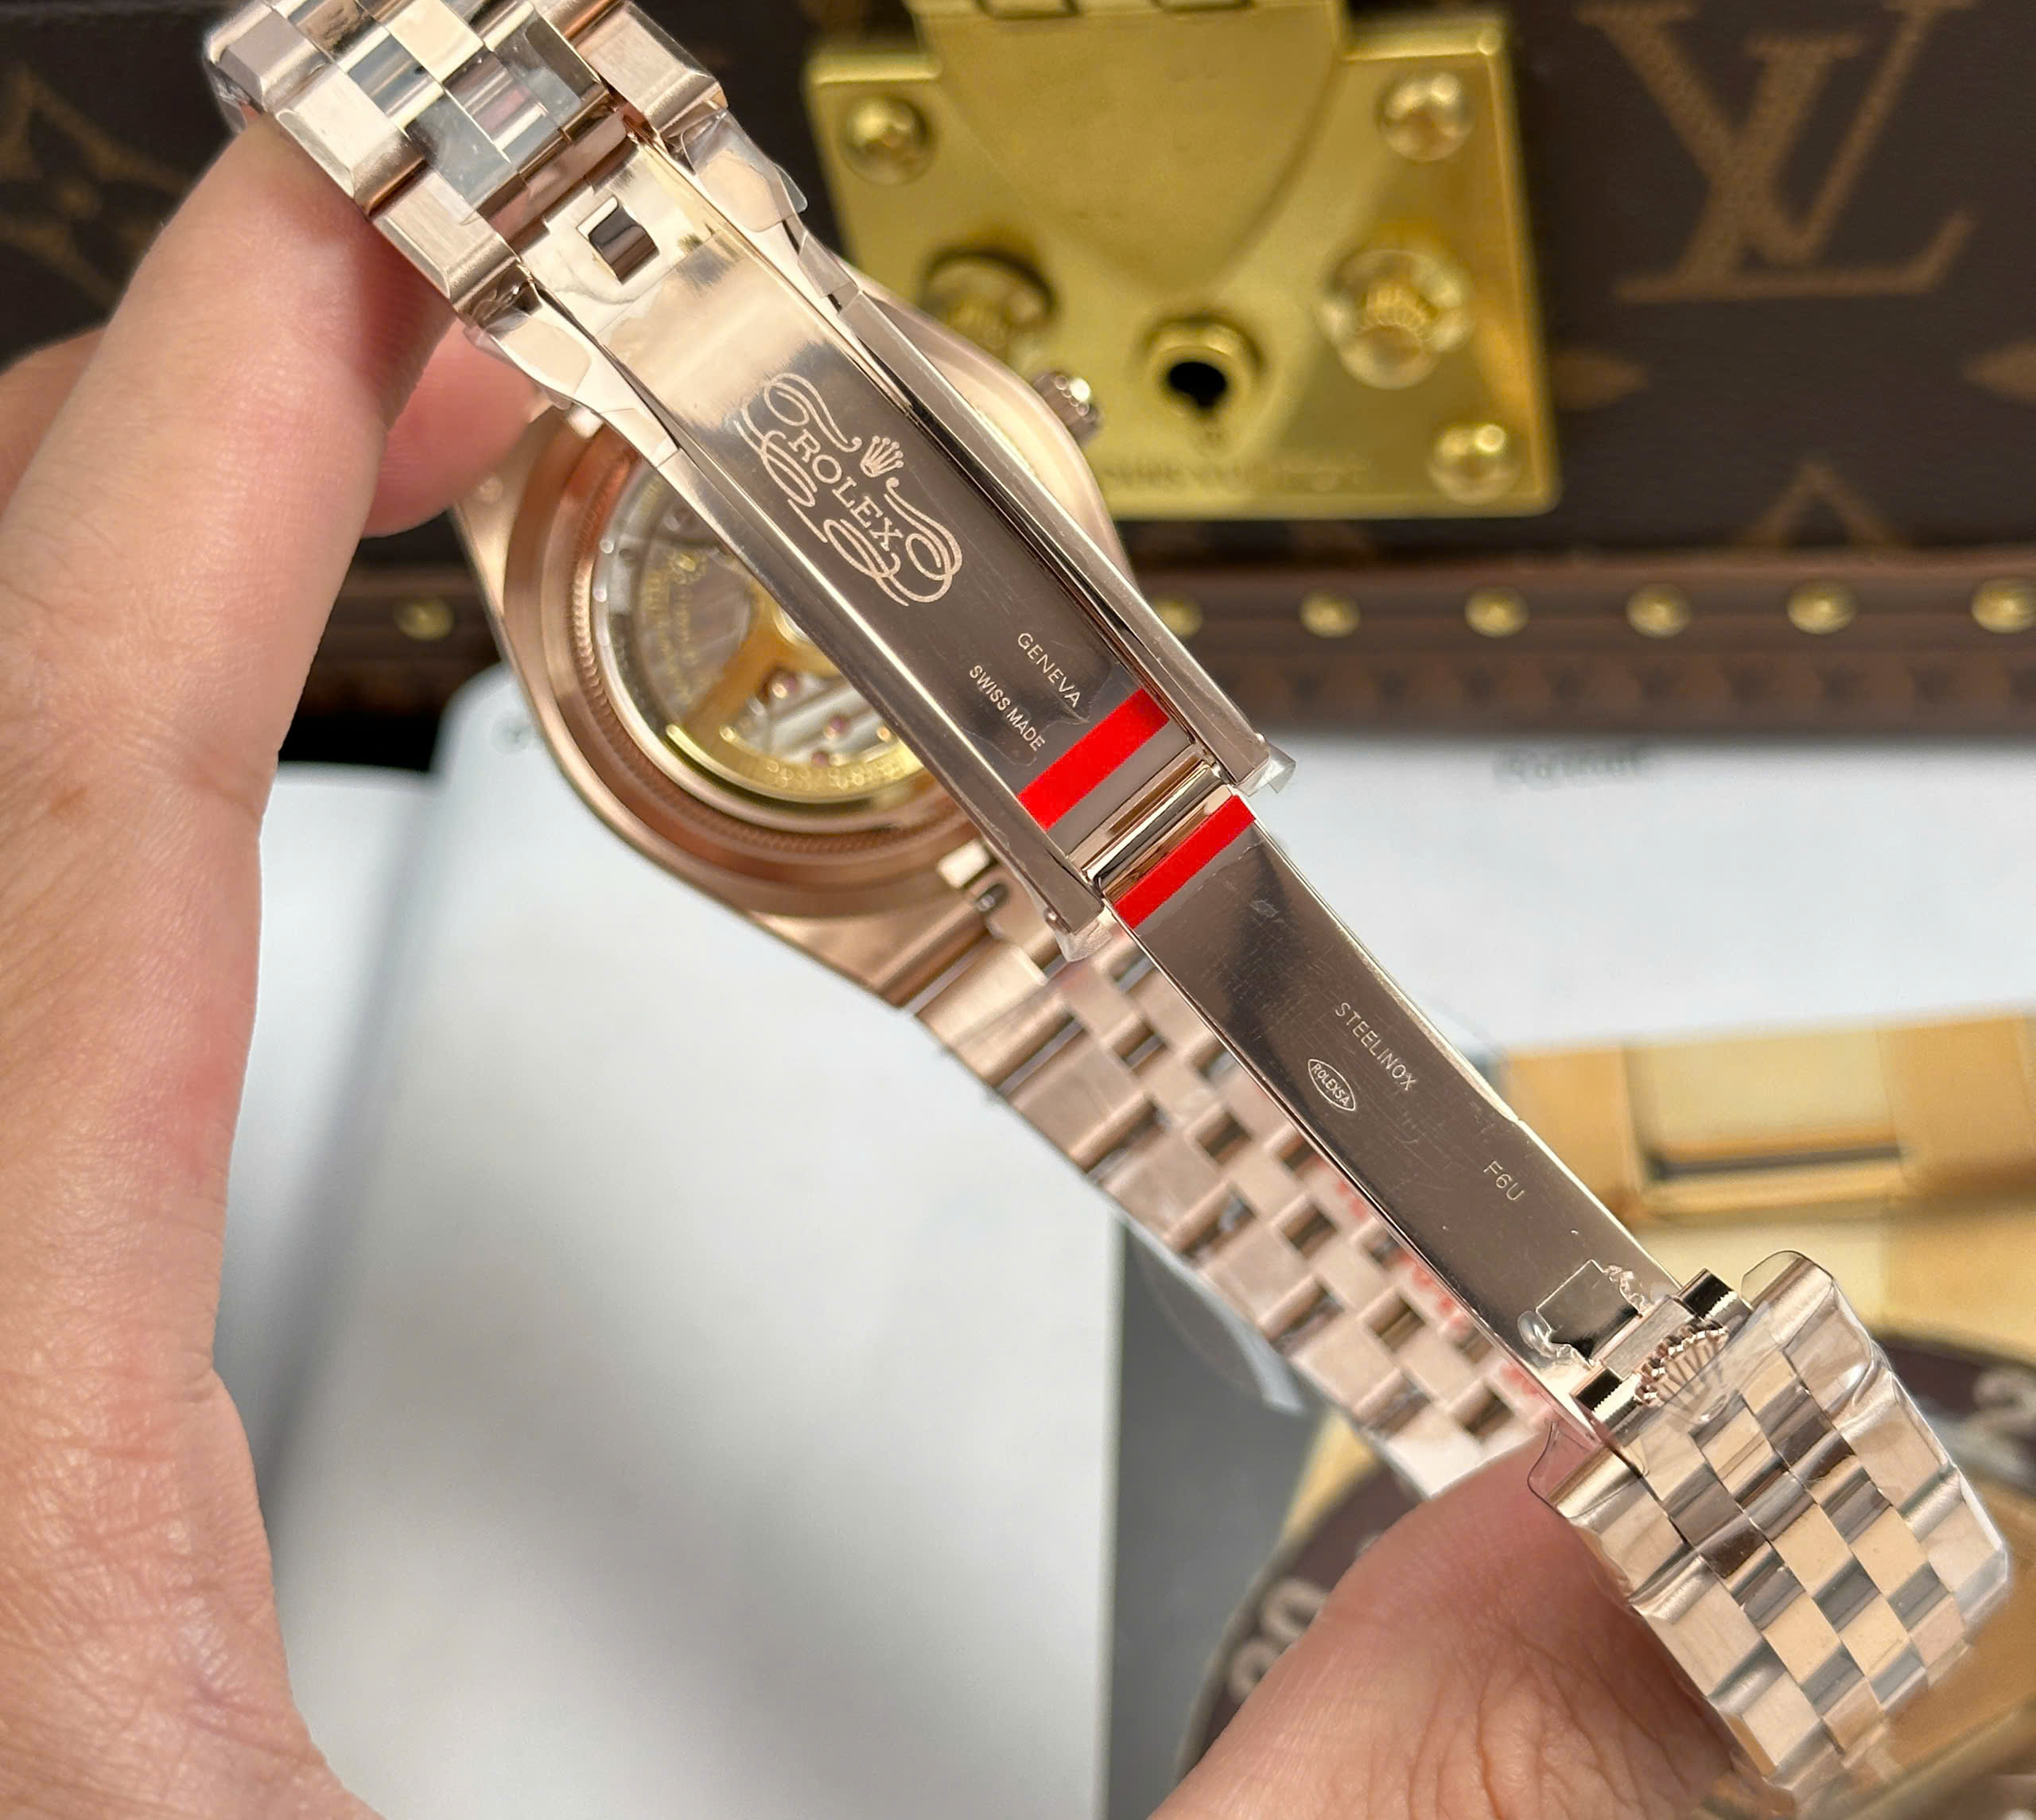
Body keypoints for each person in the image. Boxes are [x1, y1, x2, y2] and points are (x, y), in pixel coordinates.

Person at [0, 122, 1729, 1818]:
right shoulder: (592, 598)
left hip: (1050, 816)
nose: (801, 617)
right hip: (954, 902)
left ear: (1029, 450)